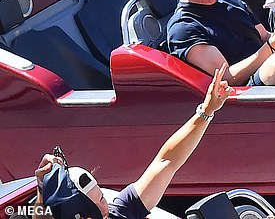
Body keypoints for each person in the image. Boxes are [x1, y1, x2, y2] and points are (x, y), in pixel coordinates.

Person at [36, 64, 231, 219]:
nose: (106, 208)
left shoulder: (119, 212)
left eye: (102, 198)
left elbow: (167, 161)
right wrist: (40, 197)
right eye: (99, 205)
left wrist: (206, 111)